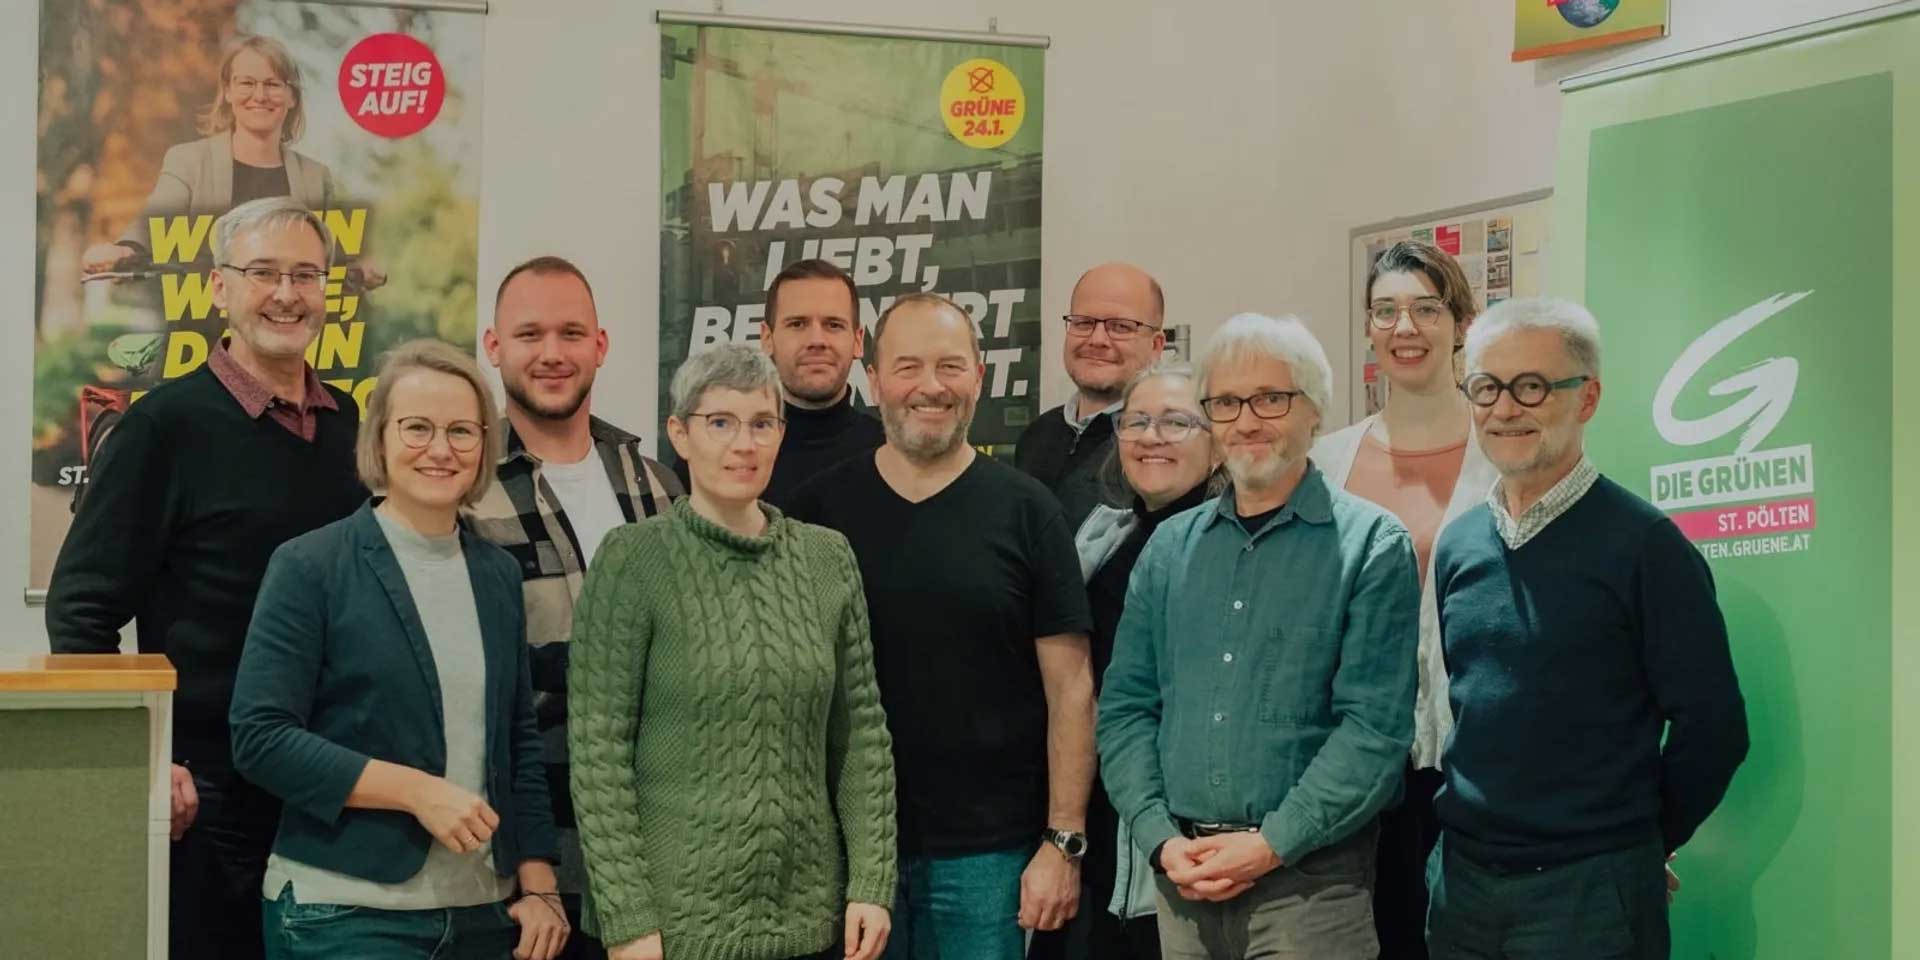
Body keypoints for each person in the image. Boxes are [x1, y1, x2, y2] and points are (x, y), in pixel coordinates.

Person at [46, 195, 366, 960]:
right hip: (211, 797)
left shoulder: (351, 426)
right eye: (263, 273)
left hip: (336, 786)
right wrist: (150, 758)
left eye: (305, 275)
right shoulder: (163, 427)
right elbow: (81, 611)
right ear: (220, 289)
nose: (286, 294)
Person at [1427, 298, 1750, 959]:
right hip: (1461, 887)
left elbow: (1715, 728)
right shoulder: (1458, 545)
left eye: (1533, 386)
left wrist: (1638, 843)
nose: (1504, 408)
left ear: (1588, 398)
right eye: (1486, 387)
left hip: (1590, 894)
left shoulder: (1645, 545)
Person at [229, 339, 567, 959]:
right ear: (380, 437)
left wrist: (540, 884)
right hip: (343, 915)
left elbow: (516, 736)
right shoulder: (311, 565)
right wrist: (415, 791)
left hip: (483, 915)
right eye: (417, 427)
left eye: (462, 431)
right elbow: (261, 737)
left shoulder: (496, 573)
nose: (440, 449)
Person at [1098, 312, 1420, 959]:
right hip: (1183, 884)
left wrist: (1268, 846)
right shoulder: (1168, 551)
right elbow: (1126, 710)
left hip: (1309, 887)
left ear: (1315, 411)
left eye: (1271, 398)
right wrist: (1161, 838)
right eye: (1225, 402)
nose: (1246, 421)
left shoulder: (1371, 546)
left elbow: (1374, 731)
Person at [786, 294, 1097, 960]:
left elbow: (1072, 687)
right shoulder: (814, 515)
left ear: (979, 378)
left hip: (991, 859)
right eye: (908, 367)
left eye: (950, 366)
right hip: (844, 852)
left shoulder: (1027, 511)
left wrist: (1063, 842)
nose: (931, 387)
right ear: (874, 379)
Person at [567, 343, 898, 960]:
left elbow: (860, 737)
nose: (743, 444)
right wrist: (628, 919)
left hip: (810, 921)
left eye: (761, 423)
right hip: (669, 929)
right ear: (680, 434)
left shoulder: (827, 559)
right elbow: (597, 754)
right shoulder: (633, 561)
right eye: (719, 422)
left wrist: (872, 884)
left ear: (780, 433)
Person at [468, 254, 682, 958]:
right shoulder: (460, 491)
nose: (552, 354)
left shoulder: (659, 488)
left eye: (570, 333)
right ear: (494, 347)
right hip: (521, 867)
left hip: (658, 855)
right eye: (529, 335)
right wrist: (524, 870)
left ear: (601, 344)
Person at [1308, 241, 1499, 959]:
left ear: (1460, 323)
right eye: (1385, 311)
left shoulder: (1503, 447)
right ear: (1367, 328)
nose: (1404, 327)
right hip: (1357, 763)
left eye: (1425, 308)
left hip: (1474, 764)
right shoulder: (1326, 460)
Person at [1069, 361, 1221, 960]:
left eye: (1177, 422)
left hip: (1186, 824)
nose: (1151, 436)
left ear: (1217, 443)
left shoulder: (1229, 546)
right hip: (1104, 803)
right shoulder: (1101, 537)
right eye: (1137, 421)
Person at [84, 35, 333, 273]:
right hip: (204, 311)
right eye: (247, 83)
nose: (260, 96)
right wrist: (126, 250)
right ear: (227, 91)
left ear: (292, 96)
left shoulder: (316, 177)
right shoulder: (188, 162)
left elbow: (336, 255)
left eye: (273, 84)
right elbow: (154, 223)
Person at [671, 258, 884, 508]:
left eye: (833, 325)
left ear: (858, 340)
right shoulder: (711, 455)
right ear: (767, 338)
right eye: (797, 324)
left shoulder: (890, 452)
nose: (816, 340)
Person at [1014, 263, 1167, 529]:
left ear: (1156, 346)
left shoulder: (1163, 446)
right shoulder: (1036, 435)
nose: (1097, 339)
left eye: (1120, 326)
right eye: (1084, 323)